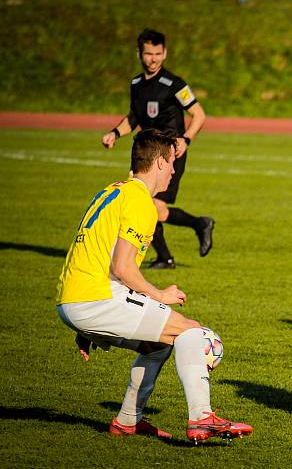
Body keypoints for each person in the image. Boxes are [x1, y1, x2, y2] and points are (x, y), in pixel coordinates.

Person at [56, 129, 251, 443]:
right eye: (172, 162)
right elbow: (122, 266)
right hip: (94, 298)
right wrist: (160, 295)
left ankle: (128, 421)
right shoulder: (139, 202)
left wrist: (82, 323)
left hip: (77, 297)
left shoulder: (114, 190)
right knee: (194, 333)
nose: (175, 170)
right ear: (160, 162)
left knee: (158, 345)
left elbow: (97, 255)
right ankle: (202, 418)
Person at [101, 28, 213, 269]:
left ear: (165, 54)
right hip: (145, 153)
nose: (153, 59)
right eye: (148, 53)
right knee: (145, 204)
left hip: (171, 153)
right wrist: (115, 133)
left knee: (155, 207)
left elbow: (199, 114)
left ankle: (199, 225)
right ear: (139, 53)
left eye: (158, 54)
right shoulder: (136, 84)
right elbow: (134, 117)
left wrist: (186, 139)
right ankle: (166, 257)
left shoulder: (174, 84)